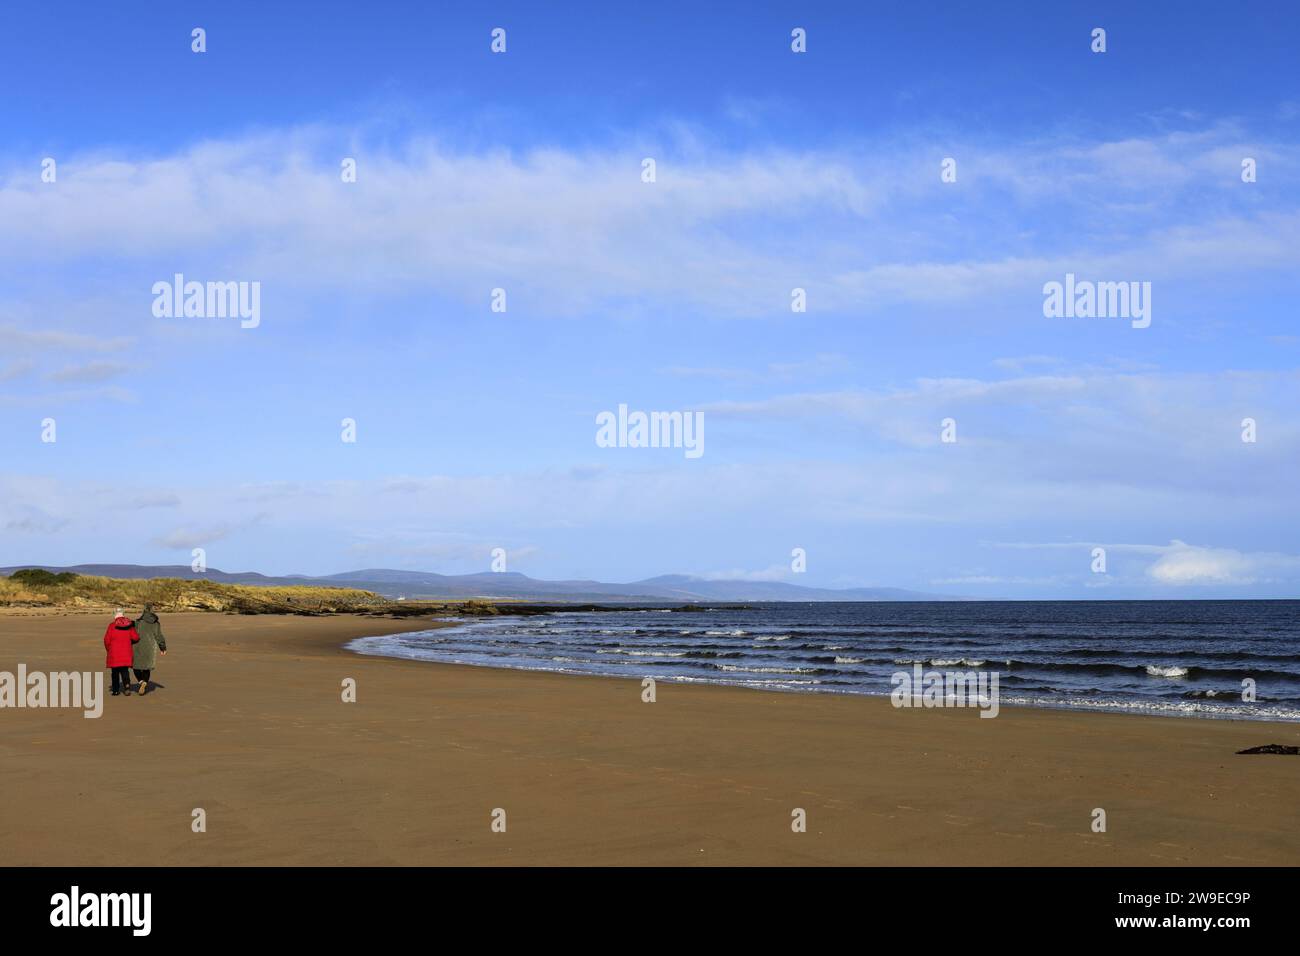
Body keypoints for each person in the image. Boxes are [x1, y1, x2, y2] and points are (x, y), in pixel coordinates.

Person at [132, 603, 167, 696]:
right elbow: (159, 636)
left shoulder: (138, 622)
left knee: (136, 667)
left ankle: (140, 681)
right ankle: (145, 682)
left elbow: (133, 635)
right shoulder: (156, 623)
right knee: (146, 668)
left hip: (137, 646)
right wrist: (162, 647)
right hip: (150, 647)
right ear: (152, 611)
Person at [103, 608, 139, 697]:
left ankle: (115, 690)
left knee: (114, 672)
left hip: (114, 653)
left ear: (115, 615)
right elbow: (135, 638)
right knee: (125, 671)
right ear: (123, 614)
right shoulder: (130, 626)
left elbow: (106, 640)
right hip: (126, 652)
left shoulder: (112, 626)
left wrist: (109, 649)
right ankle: (127, 686)